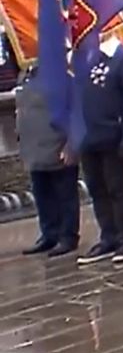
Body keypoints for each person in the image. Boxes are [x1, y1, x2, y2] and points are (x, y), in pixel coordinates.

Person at [75, 25, 123, 266]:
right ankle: (107, 236)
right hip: (88, 138)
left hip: (114, 138)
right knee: (97, 190)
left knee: (117, 188)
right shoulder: (84, 59)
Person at [16, 64, 80, 257]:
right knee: (42, 194)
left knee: (65, 195)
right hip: (35, 149)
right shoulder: (25, 76)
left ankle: (68, 236)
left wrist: (71, 145)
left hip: (58, 147)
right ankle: (49, 234)